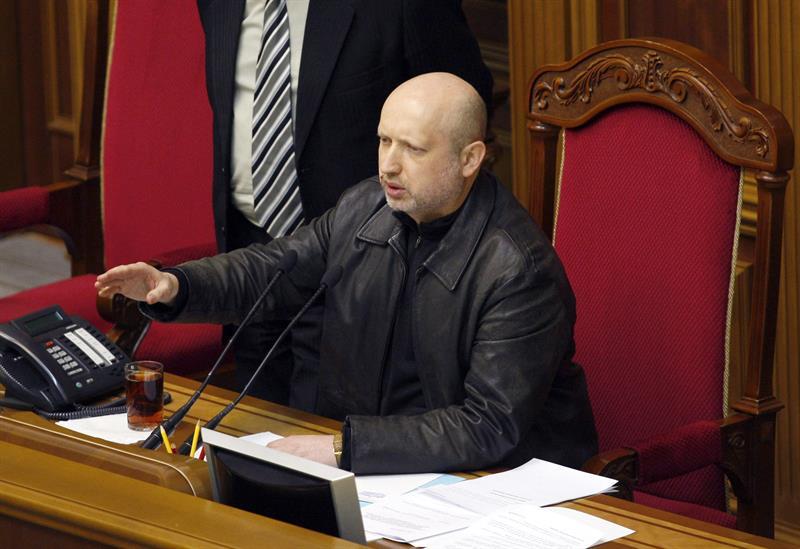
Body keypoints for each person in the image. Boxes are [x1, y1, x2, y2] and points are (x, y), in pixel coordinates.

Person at [96, 73, 597, 474]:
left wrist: (344, 449)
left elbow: (487, 426)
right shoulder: (364, 208)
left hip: (487, 487)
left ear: (470, 159)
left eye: (413, 149)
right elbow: (272, 270)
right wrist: (175, 285)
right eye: (384, 141)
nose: (389, 166)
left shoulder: (517, 270)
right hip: (377, 469)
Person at [197, 0, 493, 406]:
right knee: (253, 430)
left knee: (326, 435)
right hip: (254, 253)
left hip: (356, 271)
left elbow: (463, 112)